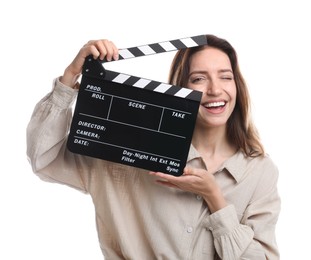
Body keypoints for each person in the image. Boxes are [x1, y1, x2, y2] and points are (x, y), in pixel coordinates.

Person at [26, 34, 280, 259]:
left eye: (226, 77)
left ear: (237, 85)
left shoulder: (259, 171)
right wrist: (70, 78)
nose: (215, 90)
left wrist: (215, 199)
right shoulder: (129, 148)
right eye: (199, 79)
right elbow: (45, 159)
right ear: (181, 89)